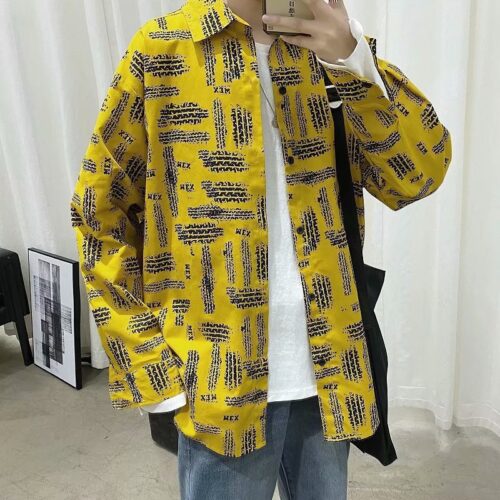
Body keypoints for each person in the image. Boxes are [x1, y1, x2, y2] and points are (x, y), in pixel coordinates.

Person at [69, 0, 452, 498]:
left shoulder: (330, 53)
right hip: (216, 378)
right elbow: (99, 213)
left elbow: (418, 174)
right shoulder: (166, 50)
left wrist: (353, 59)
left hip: (329, 367)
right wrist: (150, 366)